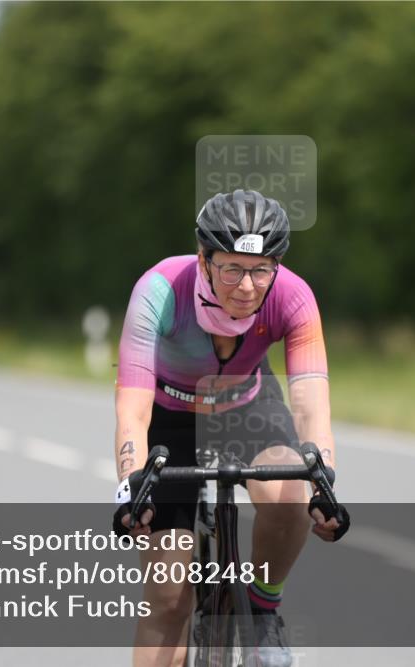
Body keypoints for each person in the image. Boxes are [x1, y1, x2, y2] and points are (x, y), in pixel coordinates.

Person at [114, 189, 349, 667]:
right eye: (232, 269)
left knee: (290, 493)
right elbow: (133, 409)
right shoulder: (159, 289)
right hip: (171, 417)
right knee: (169, 598)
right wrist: (130, 486)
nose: (247, 286)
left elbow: (311, 405)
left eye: (261, 269)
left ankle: (262, 609)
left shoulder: (293, 295)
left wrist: (323, 481)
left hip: (248, 405)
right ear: (203, 259)